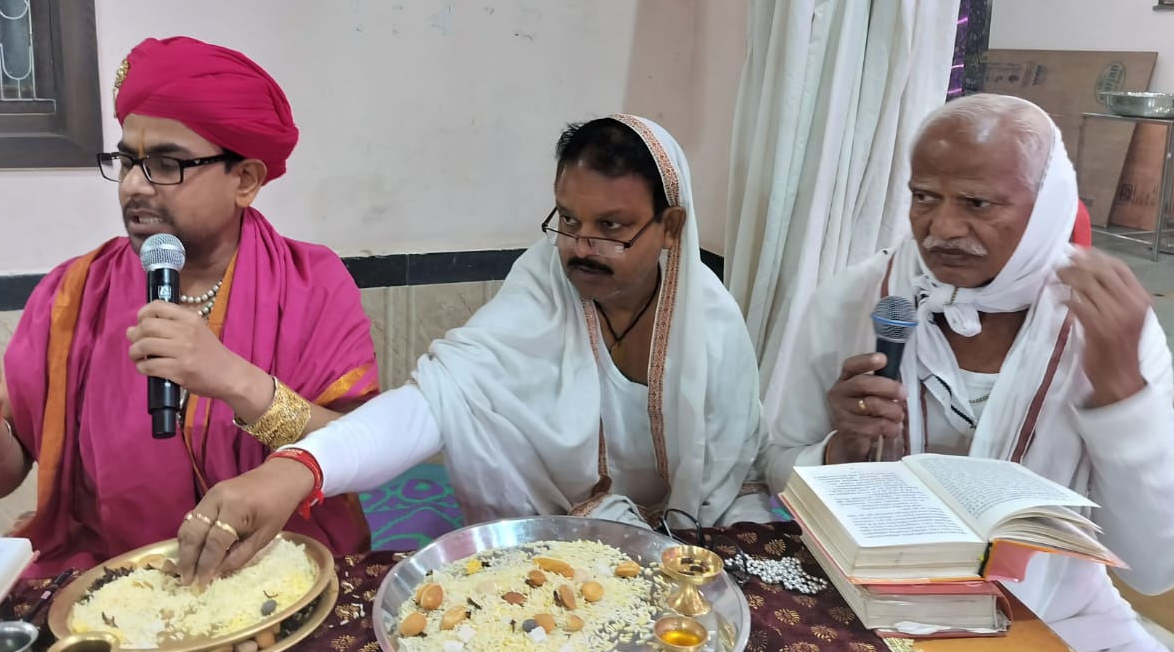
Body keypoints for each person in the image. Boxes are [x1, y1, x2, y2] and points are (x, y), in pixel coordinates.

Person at [763, 94, 1174, 652]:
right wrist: (840, 448)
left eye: (978, 204)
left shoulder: (1103, 323)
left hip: (1063, 613)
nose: (942, 228)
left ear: (1047, 207)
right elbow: (776, 470)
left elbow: (1164, 565)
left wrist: (1121, 394)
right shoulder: (854, 299)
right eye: (924, 197)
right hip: (874, 611)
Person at [174, 115, 773, 583]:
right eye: (568, 220)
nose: (581, 246)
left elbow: (734, 474)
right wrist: (297, 470)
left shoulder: (712, 326)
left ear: (670, 228)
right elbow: (434, 402)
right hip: (567, 533)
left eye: (611, 227)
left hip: (695, 541)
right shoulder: (543, 284)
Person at [0, 36, 378, 574]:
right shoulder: (72, 294)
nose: (133, 186)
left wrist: (235, 380)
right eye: (127, 161)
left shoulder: (312, 284)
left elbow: (365, 451)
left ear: (245, 179)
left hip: (279, 568)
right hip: (121, 578)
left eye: (166, 163)